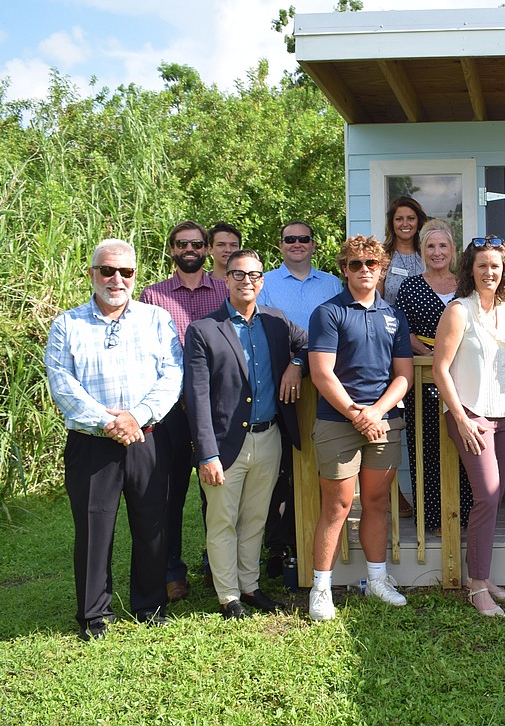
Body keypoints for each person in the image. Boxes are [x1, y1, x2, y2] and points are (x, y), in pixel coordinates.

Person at [45, 239, 182, 640]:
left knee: (152, 524)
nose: (116, 279)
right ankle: (93, 615)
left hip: (148, 438)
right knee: (93, 528)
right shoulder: (67, 325)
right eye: (107, 270)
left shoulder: (157, 319)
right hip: (92, 444)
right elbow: (63, 384)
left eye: (126, 272)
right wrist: (109, 423)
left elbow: (172, 376)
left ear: (135, 275)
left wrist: (135, 417)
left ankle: (149, 605)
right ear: (92, 274)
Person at [184, 249, 308, 619]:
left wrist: (295, 366)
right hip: (225, 444)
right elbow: (197, 397)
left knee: (255, 518)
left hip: (269, 436)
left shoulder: (276, 321)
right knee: (223, 519)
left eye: (254, 275)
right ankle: (228, 596)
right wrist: (206, 454)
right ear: (226, 278)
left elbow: (306, 343)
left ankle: (249, 586)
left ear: (262, 281)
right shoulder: (203, 329)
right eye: (239, 275)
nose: (247, 282)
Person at [308, 237, 414, 621]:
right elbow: (322, 374)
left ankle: (377, 580)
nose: (364, 269)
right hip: (339, 421)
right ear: (344, 270)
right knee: (336, 506)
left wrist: (377, 412)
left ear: (382, 267)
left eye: (372, 263)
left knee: (376, 504)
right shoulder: (328, 313)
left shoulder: (393, 315)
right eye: (356, 264)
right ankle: (321, 589)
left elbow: (403, 376)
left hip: (383, 421)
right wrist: (357, 414)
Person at [139, 220, 229, 603]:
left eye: (195, 244)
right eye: (181, 244)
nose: (189, 249)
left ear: (207, 249)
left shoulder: (225, 290)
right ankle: (171, 571)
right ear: (172, 250)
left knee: (219, 491)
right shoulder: (152, 295)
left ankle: (216, 565)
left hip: (216, 406)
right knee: (170, 493)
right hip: (170, 409)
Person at [433, 236, 505, 617]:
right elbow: (440, 369)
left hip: (504, 416)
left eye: (496, 266)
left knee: (494, 497)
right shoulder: (458, 310)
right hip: (470, 414)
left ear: (504, 272)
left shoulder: (504, 310)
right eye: (483, 264)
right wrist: (461, 417)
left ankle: (485, 578)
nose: (490, 272)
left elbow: (504, 368)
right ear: (471, 268)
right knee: (485, 495)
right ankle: (475, 586)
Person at [257, 219, 343, 576]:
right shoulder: (266, 283)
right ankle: (279, 548)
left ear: (313, 245)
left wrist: (302, 359)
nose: (296, 244)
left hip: (328, 381)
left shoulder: (333, 283)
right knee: (281, 470)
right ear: (280, 246)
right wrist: (296, 360)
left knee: (320, 466)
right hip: (282, 383)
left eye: (303, 239)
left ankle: (312, 546)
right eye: (289, 239)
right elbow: (262, 327)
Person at [394, 219, 475, 533]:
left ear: (452, 250)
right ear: (422, 250)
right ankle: (433, 517)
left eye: (443, 246)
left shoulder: (466, 284)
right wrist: (431, 357)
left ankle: (464, 514)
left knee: (464, 442)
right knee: (426, 447)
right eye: (431, 246)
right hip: (426, 376)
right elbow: (404, 330)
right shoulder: (411, 286)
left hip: (464, 377)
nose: (437, 252)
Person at [379, 195, 428, 305]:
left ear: (418, 222)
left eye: (411, 218)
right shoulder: (382, 257)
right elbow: (375, 301)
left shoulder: (428, 256)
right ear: (391, 223)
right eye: (399, 219)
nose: (405, 224)